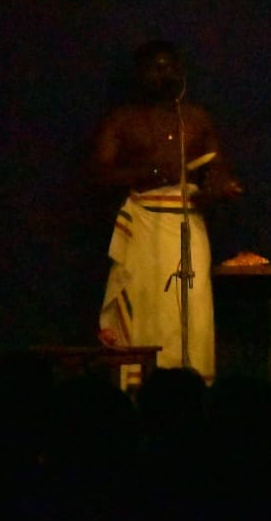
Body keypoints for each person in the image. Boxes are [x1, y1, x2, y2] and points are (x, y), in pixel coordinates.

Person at [95, 40, 243, 379]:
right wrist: (150, 174)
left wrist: (221, 187)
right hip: (144, 225)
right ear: (140, 73)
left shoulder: (195, 118)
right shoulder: (123, 119)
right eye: (157, 67)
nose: (165, 74)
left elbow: (215, 167)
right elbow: (100, 173)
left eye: (171, 67)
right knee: (147, 309)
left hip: (188, 224)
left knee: (191, 310)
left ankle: (193, 388)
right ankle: (141, 389)